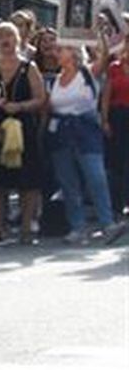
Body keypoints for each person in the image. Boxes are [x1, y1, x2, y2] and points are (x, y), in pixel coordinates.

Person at [0, 23, 47, 245]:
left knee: (28, 178)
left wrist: (20, 107)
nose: (5, 40)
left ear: (18, 39)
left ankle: (26, 228)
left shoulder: (29, 67)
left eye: (9, 35)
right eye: (0, 36)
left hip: (22, 126)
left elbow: (40, 98)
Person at [47, 46, 124, 244]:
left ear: (73, 53)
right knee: (68, 181)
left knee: (95, 176)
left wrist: (101, 35)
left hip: (85, 131)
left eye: (61, 50)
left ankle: (107, 223)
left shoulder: (87, 73)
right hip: (61, 133)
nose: (57, 53)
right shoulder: (55, 80)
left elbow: (105, 56)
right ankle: (77, 227)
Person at [100, 40, 129, 224]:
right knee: (117, 161)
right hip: (117, 116)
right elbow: (106, 96)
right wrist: (104, 120)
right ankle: (117, 204)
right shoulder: (115, 67)